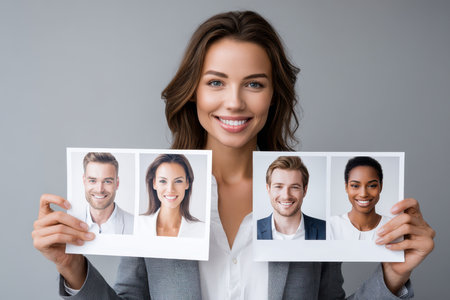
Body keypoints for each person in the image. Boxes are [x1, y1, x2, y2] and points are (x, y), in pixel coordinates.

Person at [32, 11, 435, 299]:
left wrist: (393, 278)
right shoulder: (154, 200)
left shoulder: (306, 206)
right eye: (216, 82)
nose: (234, 102)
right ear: (193, 92)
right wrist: (74, 270)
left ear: (274, 95)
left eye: (254, 84)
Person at [257, 156, 325, 240]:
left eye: (294, 187)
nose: (286, 196)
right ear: (268, 189)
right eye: (278, 186)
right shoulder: (251, 230)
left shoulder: (326, 230)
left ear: (305, 190)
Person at [137, 154, 204, 238]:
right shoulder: (137, 225)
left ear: (187, 183)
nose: (170, 189)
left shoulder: (202, 230)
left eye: (178, 181)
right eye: (163, 181)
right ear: (154, 183)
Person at [330, 156, 392, 240]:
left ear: (381, 186)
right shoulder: (331, 226)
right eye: (355, 185)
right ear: (346, 187)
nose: (363, 194)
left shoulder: (394, 227)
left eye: (372, 185)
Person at [81, 152, 133, 235]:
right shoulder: (68, 224)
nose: (99, 189)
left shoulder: (135, 225)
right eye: (92, 181)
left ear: (117, 183)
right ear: (84, 181)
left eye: (107, 181)